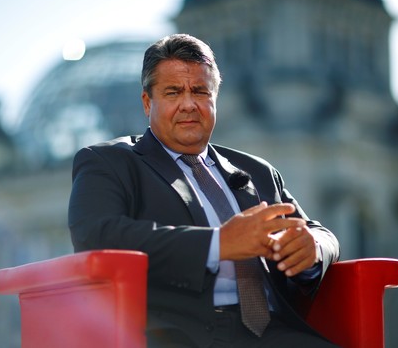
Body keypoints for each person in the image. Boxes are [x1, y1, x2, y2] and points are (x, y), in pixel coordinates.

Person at [68, 34, 340, 348]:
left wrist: (313, 249)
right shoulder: (109, 162)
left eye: (200, 91)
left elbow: (320, 233)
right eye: (173, 92)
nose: (188, 104)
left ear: (214, 99)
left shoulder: (258, 171)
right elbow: (97, 236)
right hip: (177, 336)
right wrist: (218, 244)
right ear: (147, 102)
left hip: (276, 332)